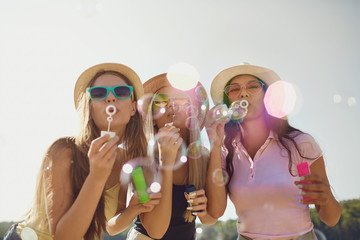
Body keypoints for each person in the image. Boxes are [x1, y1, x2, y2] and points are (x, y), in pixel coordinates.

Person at [4, 63, 161, 240]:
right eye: (99, 93)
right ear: (90, 108)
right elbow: (63, 237)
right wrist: (96, 177)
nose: (110, 98)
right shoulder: (63, 151)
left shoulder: (127, 162)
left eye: (122, 91)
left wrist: (132, 210)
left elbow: (110, 227)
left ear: (133, 108)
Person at [205, 63, 341, 240]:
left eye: (253, 86)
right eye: (234, 89)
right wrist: (215, 145)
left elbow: (331, 219)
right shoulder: (225, 152)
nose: (243, 93)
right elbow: (216, 211)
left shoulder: (299, 144)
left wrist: (327, 199)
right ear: (228, 102)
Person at [126, 74, 217, 240]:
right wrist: (165, 162)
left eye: (181, 100)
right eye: (160, 101)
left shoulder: (201, 158)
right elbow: (155, 230)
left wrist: (203, 212)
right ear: (152, 119)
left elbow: (211, 219)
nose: (171, 106)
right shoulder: (141, 159)